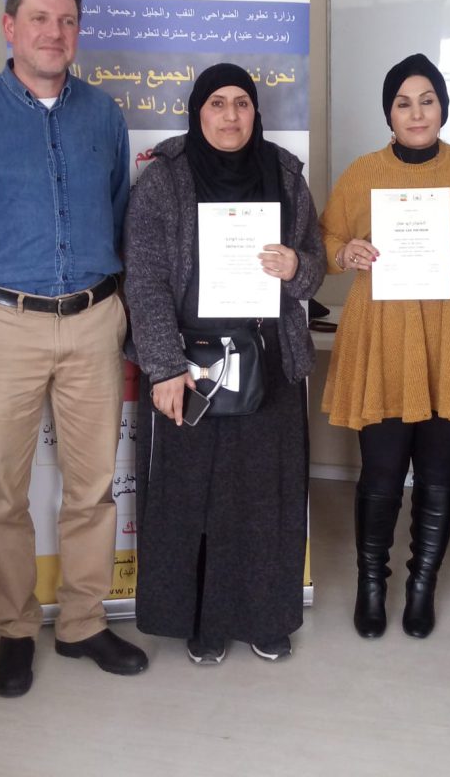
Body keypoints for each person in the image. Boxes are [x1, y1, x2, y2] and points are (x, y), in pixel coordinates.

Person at [0, 0, 146, 697]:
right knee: (2, 496)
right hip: (2, 326)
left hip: (94, 321)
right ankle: (15, 628)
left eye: (68, 21)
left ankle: (83, 623)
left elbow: (119, 211)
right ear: (10, 26)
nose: (55, 33)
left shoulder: (104, 115)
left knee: (92, 488)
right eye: (41, 18)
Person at [125, 63, 324, 664]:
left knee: (267, 497)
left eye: (242, 102)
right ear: (198, 112)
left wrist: (297, 268)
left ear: (256, 112)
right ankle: (204, 624)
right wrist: (163, 366)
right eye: (218, 103)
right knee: (195, 499)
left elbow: (314, 263)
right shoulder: (163, 181)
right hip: (192, 367)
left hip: (271, 359)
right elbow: (145, 281)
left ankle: (266, 617)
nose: (231, 115)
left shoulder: (285, 175)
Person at [320, 53, 450, 639]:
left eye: (427, 100)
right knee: (380, 470)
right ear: (389, 114)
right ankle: (372, 583)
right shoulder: (362, 172)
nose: (416, 112)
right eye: (403, 103)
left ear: (443, 108)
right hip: (381, 332)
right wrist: (344, 251)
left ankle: (422, 584)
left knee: (438, 472)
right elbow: (325, 238)